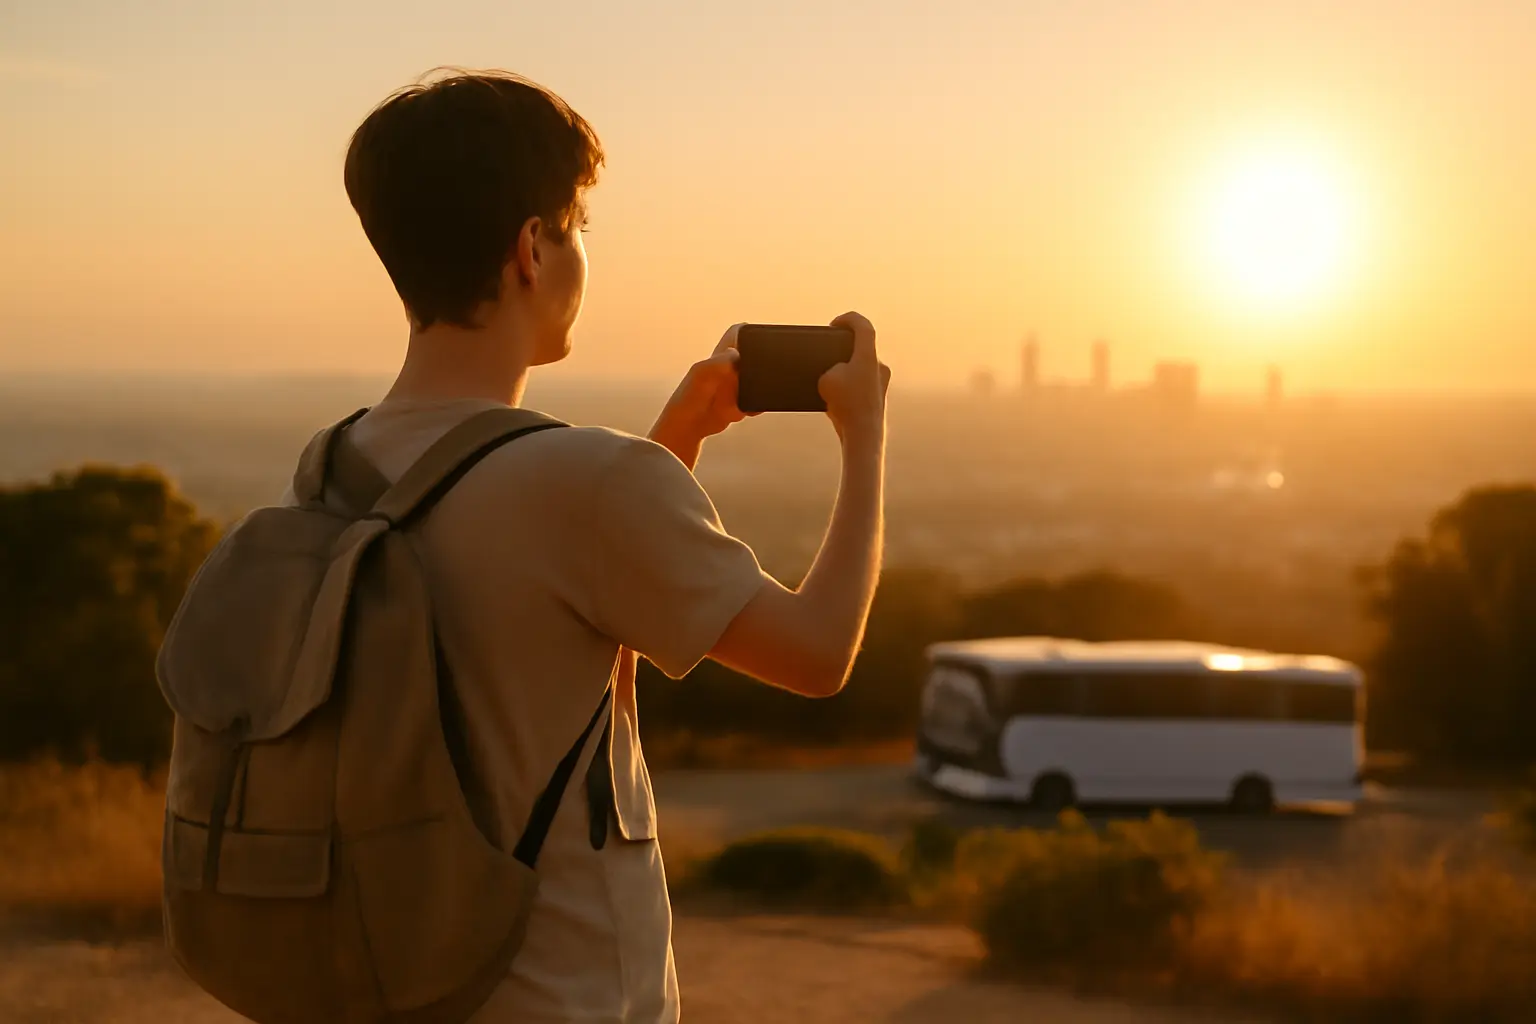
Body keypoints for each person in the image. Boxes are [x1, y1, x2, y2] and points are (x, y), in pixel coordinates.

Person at [334, 69, 888, 1022]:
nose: (582, 251)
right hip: (564, 997)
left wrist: (673, 449)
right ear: (532, 249)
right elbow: (818, 653)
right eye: (579, 225)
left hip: (392, 985)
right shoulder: (583, 484)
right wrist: (865, 438)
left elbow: (579, 684)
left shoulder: (334, 465)